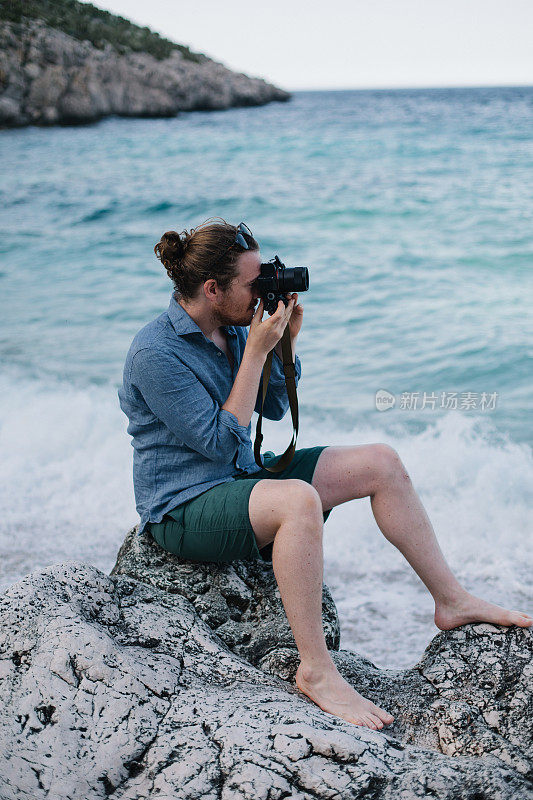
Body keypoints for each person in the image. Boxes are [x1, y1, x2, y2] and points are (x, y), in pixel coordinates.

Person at [118, 217, 532, 732]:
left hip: (240, 477)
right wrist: (255, 352)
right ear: (212, 288)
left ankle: (451, 600)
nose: (263, 290)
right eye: (254, 283)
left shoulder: (233, 326)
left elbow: (269, 409)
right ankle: (315, 670)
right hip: (183, 508)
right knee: (298, 501)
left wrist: (284, 343)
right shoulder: (155, 354)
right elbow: (222, 440)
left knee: (381, 461)